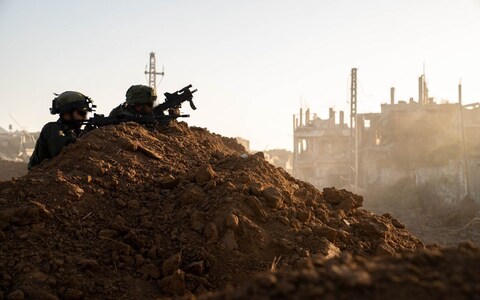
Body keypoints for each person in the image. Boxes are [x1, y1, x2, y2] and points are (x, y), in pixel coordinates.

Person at [28, 91, 94, 170]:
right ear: (67, 112)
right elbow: (66, 155)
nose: (85, 116)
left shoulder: (76, 133)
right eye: (81, 112)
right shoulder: (52, 129)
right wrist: (88, 137)